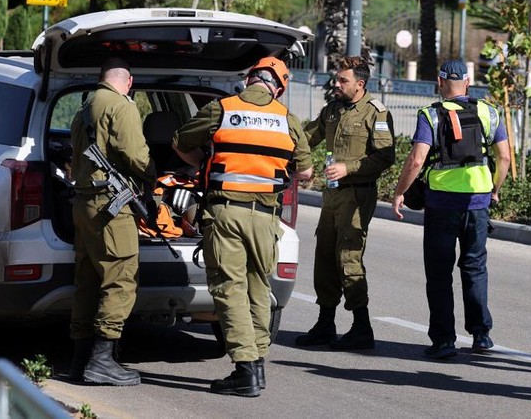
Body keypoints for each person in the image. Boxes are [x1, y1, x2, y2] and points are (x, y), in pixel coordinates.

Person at [173, 56, 313, 396]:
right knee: (257, 288)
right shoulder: (287, 119)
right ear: (278, 87)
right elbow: (306, 172)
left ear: (250, 78)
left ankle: (246, 369)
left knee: (228, 288)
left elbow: (180, 142)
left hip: (226, 214)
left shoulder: (222, 108)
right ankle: (258, 363)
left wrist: (205, 162)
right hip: (265, 218)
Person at [391, 60, 510, 359]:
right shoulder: (489, 111)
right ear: (468, 82)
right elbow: (505, 157)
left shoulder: (431, 115)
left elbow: (417, 160)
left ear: (440, 82)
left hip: (441, 203)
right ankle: (481, 335)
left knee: (440, 273)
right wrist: (494, 189)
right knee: (475, 267)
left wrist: (399, 192)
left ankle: (444, 341)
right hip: (478, 203)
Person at [68, 57, 157, 386]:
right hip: (110, 207)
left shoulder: (85, 106)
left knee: (88, 281)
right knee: (120, 281)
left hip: (84, 204)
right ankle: (103, 361)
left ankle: (80, 361)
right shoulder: (121, 106)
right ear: (128, 81)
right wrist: (154, 176)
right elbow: (136, 153)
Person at [297, 56, 396, 350]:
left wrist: (348, 167)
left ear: (360, 83)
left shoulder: (375, 114)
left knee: (348, 257)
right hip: (332, 194)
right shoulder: (332, 109)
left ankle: (361, 327)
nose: (336, 84)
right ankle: (325, 323)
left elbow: (385, 157)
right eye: (336, 79)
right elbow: (306, 137)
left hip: (357, 194)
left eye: (343, 80)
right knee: (325, 256)